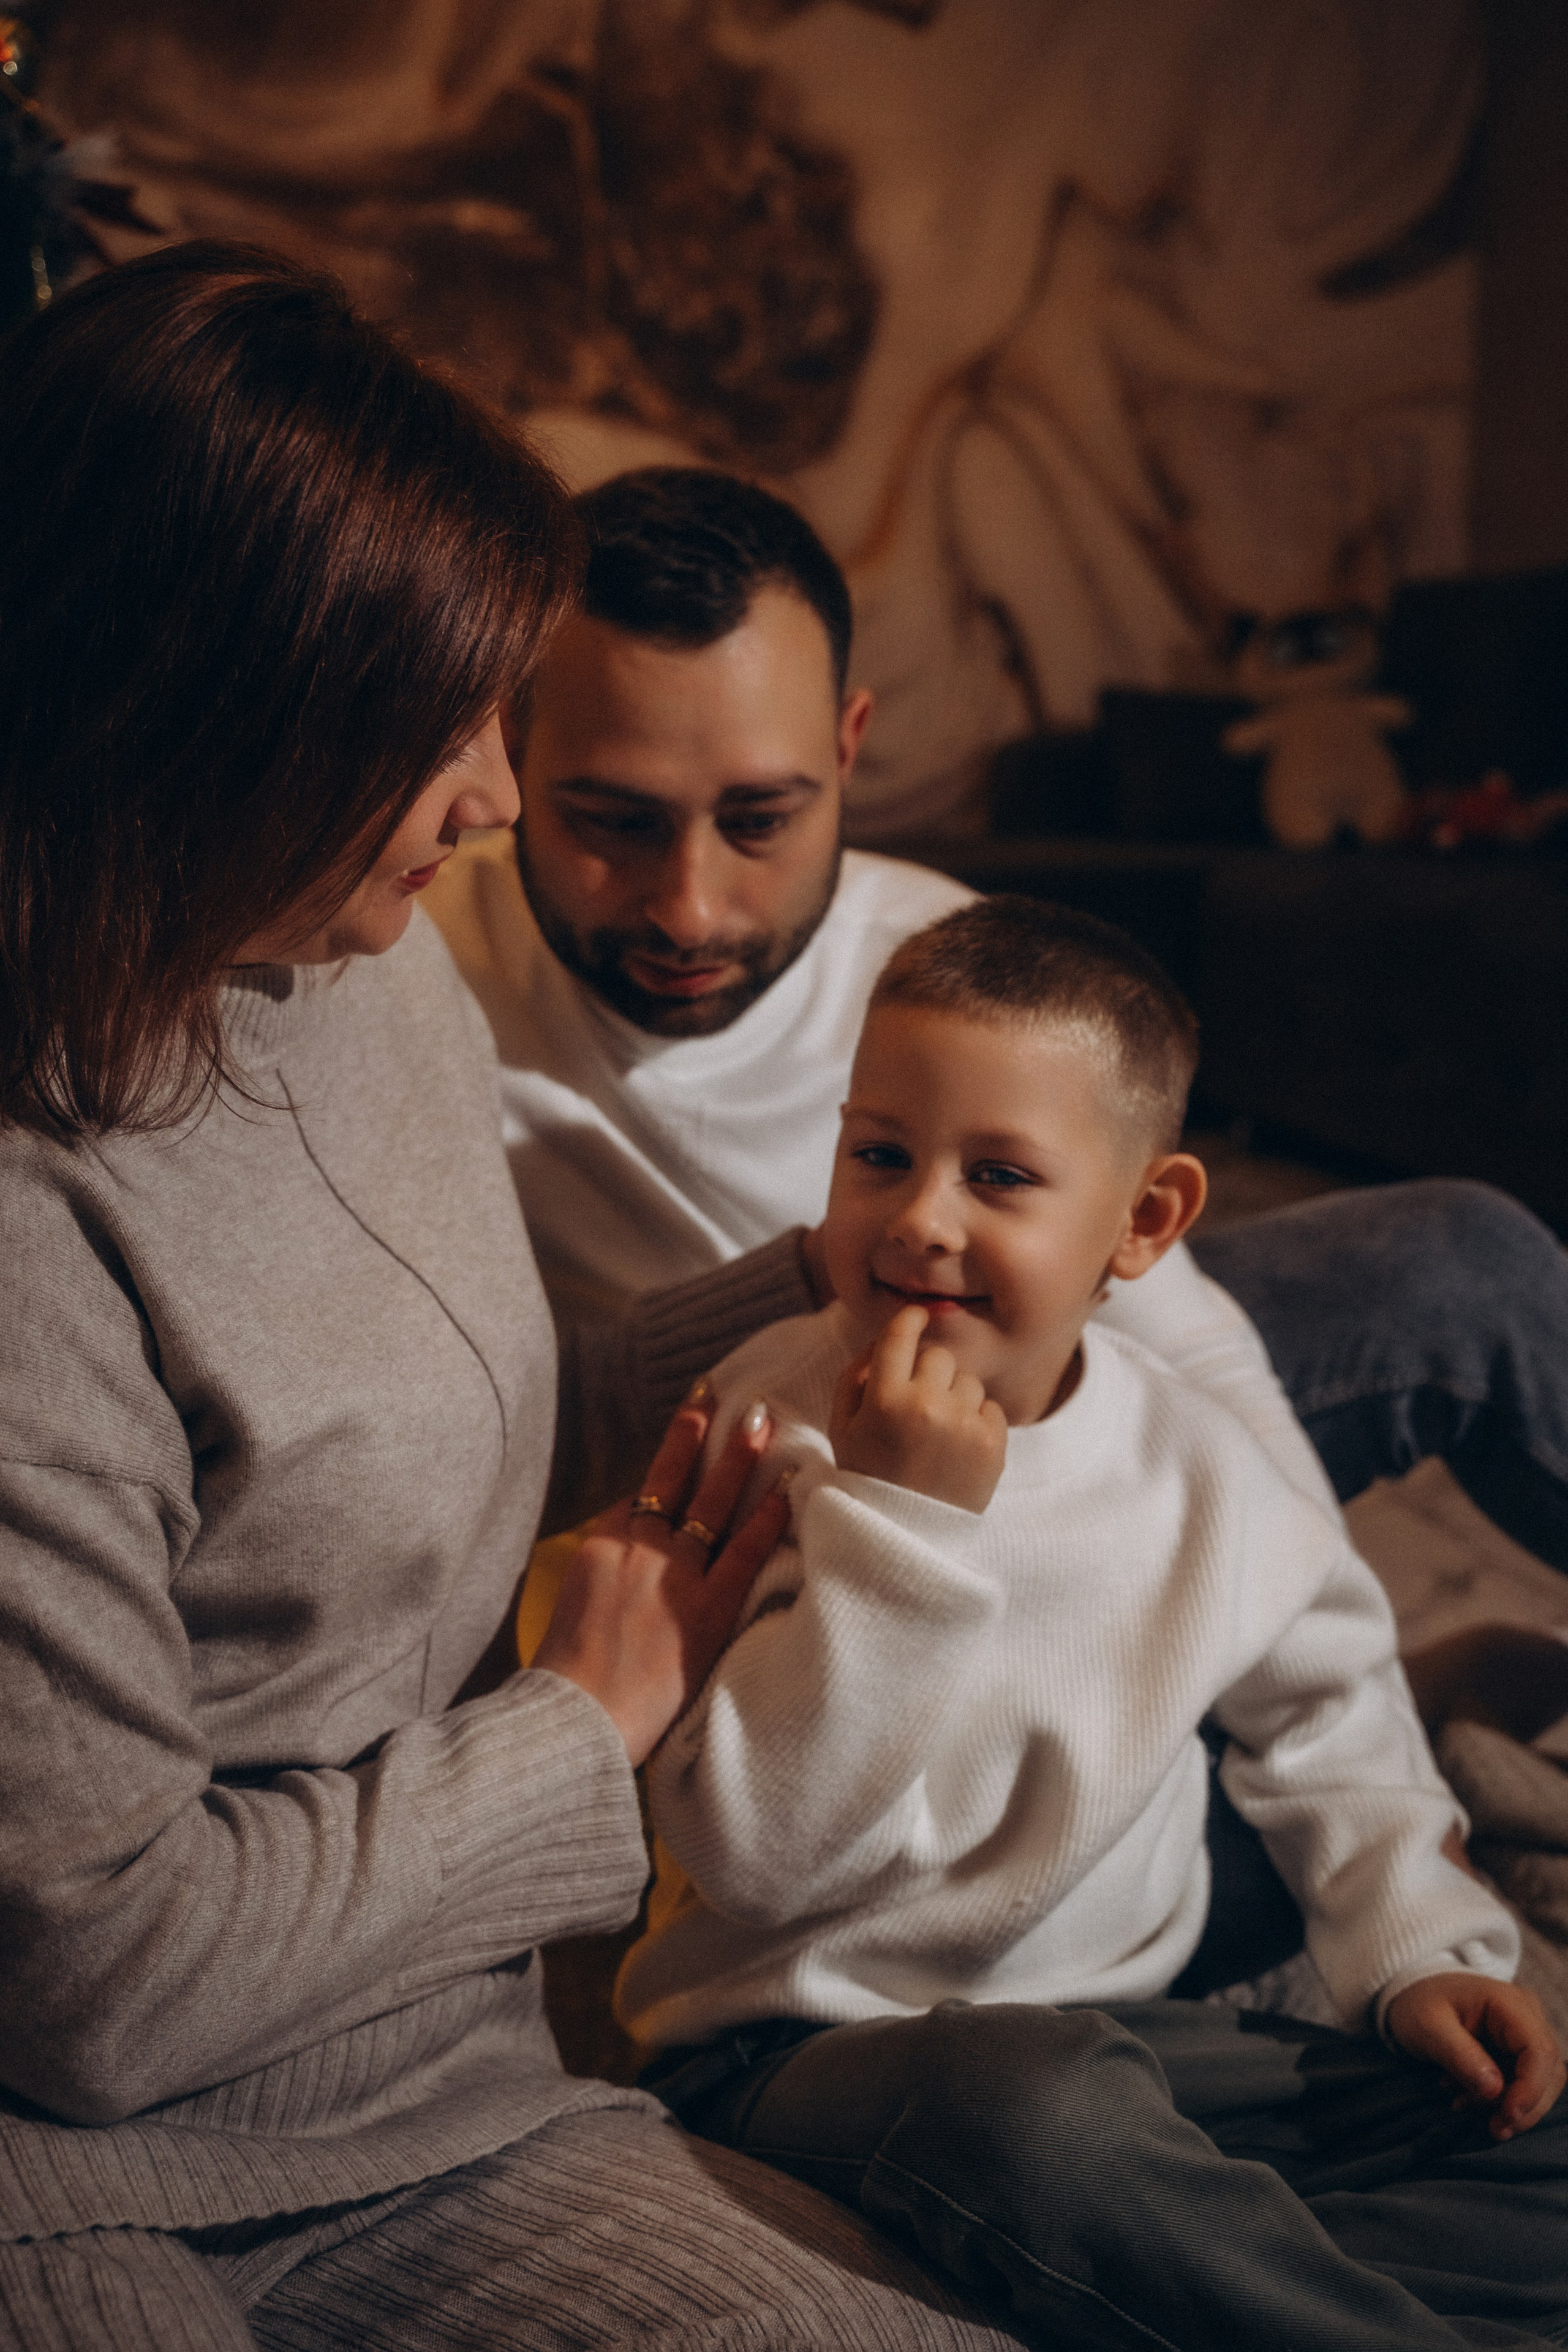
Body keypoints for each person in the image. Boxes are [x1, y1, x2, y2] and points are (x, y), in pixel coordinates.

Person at [0, 244, 1030, 2352]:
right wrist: (585, 1726)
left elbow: (444, 1426)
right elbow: (96, 1985)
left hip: (453, 2099)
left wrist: (821, 1293)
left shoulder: (361, 971)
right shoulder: (35, 1216)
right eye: (436, 729)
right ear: (206, 725)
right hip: (74, 2182)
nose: (489, 800)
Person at [617, 897, 1568, 2352]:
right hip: (803, 2049)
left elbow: (1332, 1718)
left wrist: (1417, 1946)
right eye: (879, 1155)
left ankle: (1208, 2273)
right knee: (1038, 2124)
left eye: (997, 1175)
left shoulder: (1197, 1463)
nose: (920, 1217)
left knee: (1500, 2113)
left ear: (1142, 1222)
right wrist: (900, 1526)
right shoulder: (761, 1423)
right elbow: (755, 1861)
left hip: (1130, 2034)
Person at [426, 464, 1568, 1587]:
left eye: (761, 820)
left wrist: (1306, 1641)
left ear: (846, 747)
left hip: (1049, 1399)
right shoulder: (408, 976)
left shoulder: (932, 951)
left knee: (1461, 1261)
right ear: (514, 747)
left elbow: (1185, 1340)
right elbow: (487, 1432)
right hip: (768, 1491)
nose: (689, 907)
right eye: (614, 821)